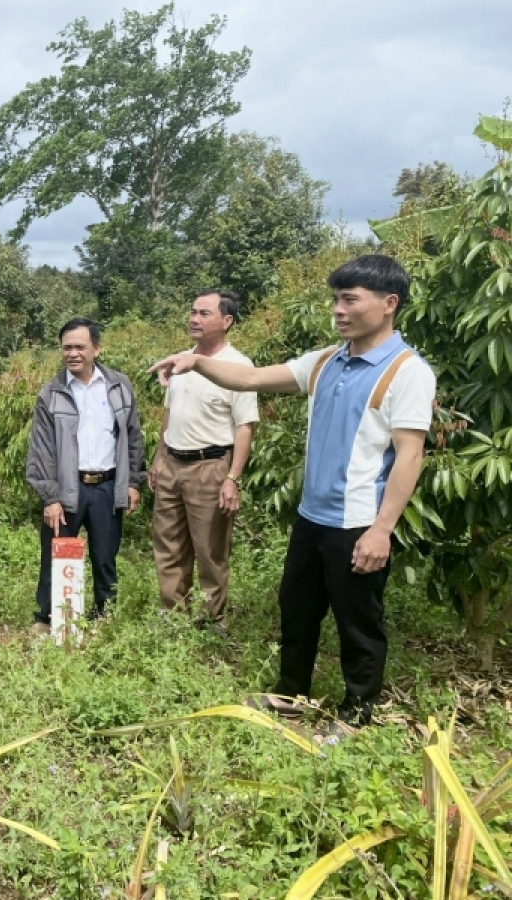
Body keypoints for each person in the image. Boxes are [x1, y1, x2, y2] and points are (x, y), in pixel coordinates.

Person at [148, 255, 435, 731]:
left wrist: (382, 530)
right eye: (335, 300)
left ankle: (356, 712)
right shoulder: (326, 360)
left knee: (358, 623)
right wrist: (195, 362)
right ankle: (290, 695)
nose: (338, 310)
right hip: (312, 516)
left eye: (350, 300)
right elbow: (252, 378)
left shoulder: (407, 371)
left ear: (389, 304)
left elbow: (410, 456)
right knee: (296, 608)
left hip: (358, 521)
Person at [26, 318, 146, 633]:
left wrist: (134, 482)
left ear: (96, 348)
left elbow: (133, 437)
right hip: (66, 489)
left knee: (105, 555)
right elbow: (41, 450)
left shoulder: (118, 385)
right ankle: (48, 618)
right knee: (56, 553)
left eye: (80, 346)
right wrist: (49, 497)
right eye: (67, 347)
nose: (73, 353)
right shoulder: (51, 393)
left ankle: (105, 614)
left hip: (107, 486)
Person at [149, 289, 258, 628]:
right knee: (168, 546)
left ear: (227, 321)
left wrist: (232, 478)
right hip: (171, 463)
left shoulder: (239, 367)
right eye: (193, 312)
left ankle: (214, 620)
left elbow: (245, 428)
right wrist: (158, 458)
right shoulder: (181, 360)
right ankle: (173, 617)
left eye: (204, 313)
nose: (194, 318)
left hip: (210, 467)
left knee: (210, 551)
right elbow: (170, 413)